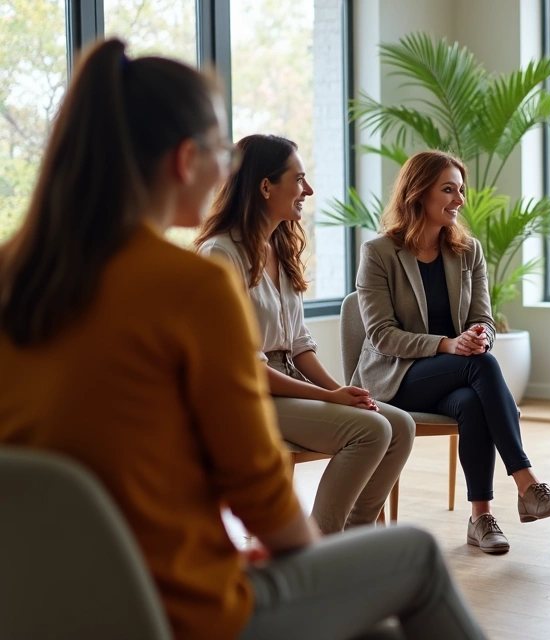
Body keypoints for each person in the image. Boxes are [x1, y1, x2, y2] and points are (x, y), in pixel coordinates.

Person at [0, 40, 484, 640]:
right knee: (414, 555)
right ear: (184, 159)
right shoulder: (195, 283)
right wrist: (305, 554)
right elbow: (260, 493)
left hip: (47, 609)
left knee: (376, 632)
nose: (226, 168)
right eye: (220, 151)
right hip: (184, 609)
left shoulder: (11, 274)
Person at [353, 149, 550, 554]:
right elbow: (382, 335)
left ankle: (480, 518)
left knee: (473, 399)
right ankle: (527, 484)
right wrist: (446, 344)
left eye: (461, 190)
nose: (459, 200)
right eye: (448, 190)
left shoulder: (466, 250)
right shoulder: (379, 253)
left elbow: (484, 318)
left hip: (457, 372)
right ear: (418, 193)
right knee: (481, 368)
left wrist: (479, 337)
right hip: (397, 377)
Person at [196, 134, 415, 535]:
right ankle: (321, 544)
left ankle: (355, 535)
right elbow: (245, 368)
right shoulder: (221, 254)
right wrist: (328, 397)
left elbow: (299, 345)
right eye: (299, 179)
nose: (308, 190)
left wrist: (347, 394)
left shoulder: (279, 248)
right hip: (247, 397)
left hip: (288, 384)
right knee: (371, 430)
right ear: (265, 186)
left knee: (399, 426)